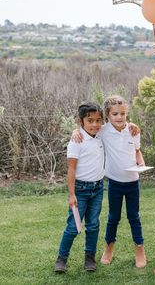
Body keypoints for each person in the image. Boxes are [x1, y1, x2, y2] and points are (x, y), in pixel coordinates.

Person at [72, 95, 147, 268]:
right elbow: (86, 129)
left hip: (132, 183)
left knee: (134, 217)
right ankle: (108, 248)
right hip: (114, 183)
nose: (119, 117)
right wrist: (75, 131)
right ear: (108, 116)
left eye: (122, 114)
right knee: (113, 218)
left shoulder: (133, 131)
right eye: (115, 114)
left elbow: (137, 152)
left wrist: (141, 163)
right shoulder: (103, 131)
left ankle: (140, 249)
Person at [54, 102, 104, 273]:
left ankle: (89, 259)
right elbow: (71, 168)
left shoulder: (100, 134)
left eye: (98, 120)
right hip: (80, 190)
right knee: (73, 226)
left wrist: (132, 126)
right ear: (81, 121)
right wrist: (72, 194)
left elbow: (118, 127)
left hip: (97, 189)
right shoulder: (77, 140)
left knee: (93, 225)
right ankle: (61, 260)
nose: (95, 124)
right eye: (90, 120)